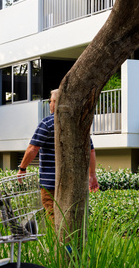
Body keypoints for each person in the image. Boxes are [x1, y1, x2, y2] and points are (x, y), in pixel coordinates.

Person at [17, 89, 99, 220]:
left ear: (55, 103)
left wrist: (22, 168)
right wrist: (92, 175)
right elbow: (90, 151)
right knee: (73, 218)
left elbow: (33, 148)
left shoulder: (48, 123)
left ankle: (58, 241)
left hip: (51, 184)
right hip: (74, 182)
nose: (50, 104)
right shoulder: (78, 124)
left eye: (50, 101)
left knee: (54, 217)